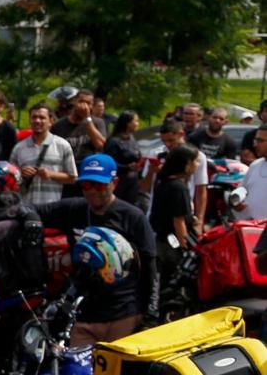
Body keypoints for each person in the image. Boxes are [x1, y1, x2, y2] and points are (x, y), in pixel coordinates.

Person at [35, 154, 158, 346]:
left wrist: (150, 314)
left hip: (123, 316)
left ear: (114, 183)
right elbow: (31, 210)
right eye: (86, 185)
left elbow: (151, 269)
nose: (92, 191)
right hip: (83, 317)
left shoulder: (133, 217)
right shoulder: (73, 209)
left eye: (99, 185)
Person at [141, 119, 209, 232]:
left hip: (183, 211)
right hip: (157, 214)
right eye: (164, 141)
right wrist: (151, 172)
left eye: (171, 140)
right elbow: (144, 188)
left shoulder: (197, 157)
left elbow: (201, 189)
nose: (168, 144)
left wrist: (200, 220)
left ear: (181, 134)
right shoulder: (156, 154)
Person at [10, 103, 77, 205]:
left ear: (51, 121)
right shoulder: (19, 148)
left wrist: (51, 174)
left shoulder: (63, 145)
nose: (37, 121)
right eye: (34, 117)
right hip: (26, 207)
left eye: (42, 118)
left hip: (52, 206)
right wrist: (20, 174)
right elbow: (10, 179)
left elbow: (72, 177)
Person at [150, 144, 198, 280]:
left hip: (161, 241)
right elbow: (178, 221)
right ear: (187, 164)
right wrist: (185, 247)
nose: (197, 165)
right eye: (195, 161)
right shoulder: (178, 188)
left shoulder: (163, 182)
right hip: (172, 244)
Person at [51, 89, 107, 194]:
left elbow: (100, 145)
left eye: (88, 103)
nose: (84, 106)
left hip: (88, 174)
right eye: (81, 101)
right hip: (67, 174)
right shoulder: (59, 125)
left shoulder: (98, 122)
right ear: (74, 102)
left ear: (92, 106)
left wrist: (87, 119)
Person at [104, 111, 142, 206]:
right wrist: (127, 167)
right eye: (135, 121)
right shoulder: (114, 142)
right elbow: (109, 163)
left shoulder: (132, 138)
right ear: (128, 123)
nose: (138, 124)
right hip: (120, 183)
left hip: (133, 183)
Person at [235, 124, 267, 220]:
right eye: (255, 140)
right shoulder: (255, 165)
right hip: (249, 226)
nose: (255, 145)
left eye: (260, 141)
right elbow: (242, 190)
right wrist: (236, 201)